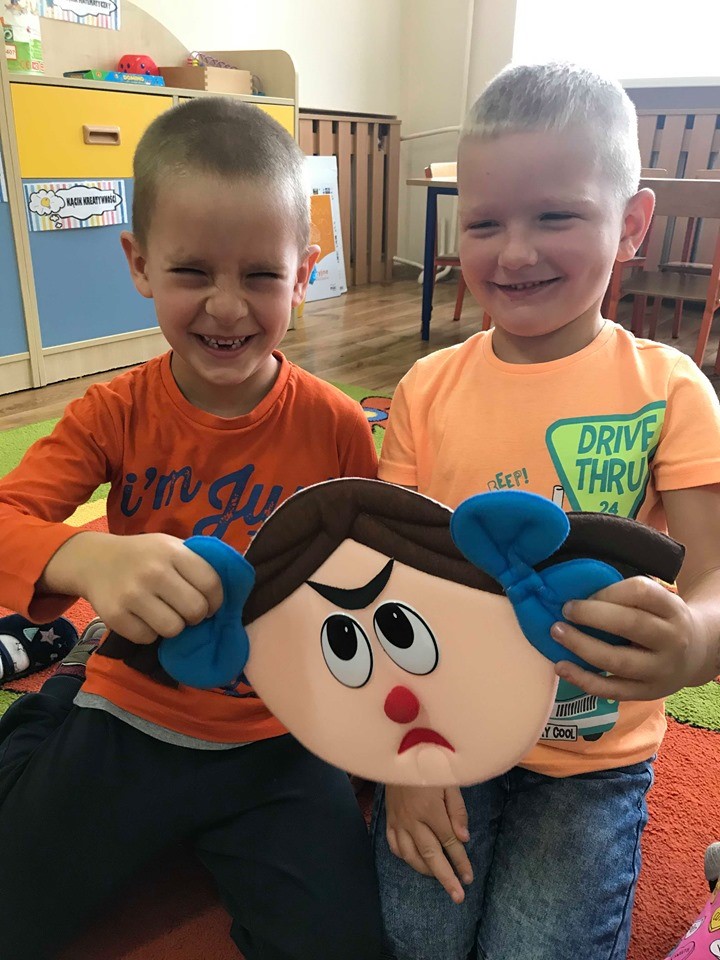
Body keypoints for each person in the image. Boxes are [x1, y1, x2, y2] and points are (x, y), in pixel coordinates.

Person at [0, 97, 382, 960]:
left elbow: (364, 581)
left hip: (278, 736)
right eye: (192, 271)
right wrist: (87, 556)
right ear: (139, 264)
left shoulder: (337, 425)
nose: (227, 306)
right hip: (133, 706)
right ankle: (56, 702)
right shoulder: (112, 412)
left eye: (261, 275)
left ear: (304, 271)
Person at [372, 61, 720, 960]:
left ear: (631, 225)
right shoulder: (424, 389)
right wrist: (400, 758)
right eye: (485, 223)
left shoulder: (670, 389)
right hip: (443, 727)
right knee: (415, 940)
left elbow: (716, 572)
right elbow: (389, 583)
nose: (515, 253)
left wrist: (696, 640)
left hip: (593, 754)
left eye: (555, 217)